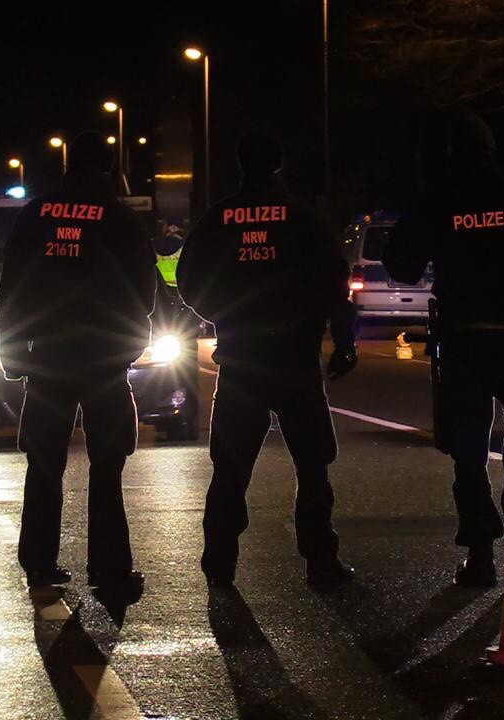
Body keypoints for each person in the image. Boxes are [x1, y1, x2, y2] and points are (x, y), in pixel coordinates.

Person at [383, 110, 504, 587]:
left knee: (468, 449)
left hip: (464, 340)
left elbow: (400, 262)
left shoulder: (439, 199)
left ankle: (481, 554)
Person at [177, 129, 358, 588]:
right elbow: (334, 279)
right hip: (295, 358)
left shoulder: (219, 218)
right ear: (278, 164)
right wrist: (343, 338)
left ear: (241, 164)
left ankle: (219, 561)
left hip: (240, 357)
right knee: (312, 465)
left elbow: (188, 278)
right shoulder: (302, 216)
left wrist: (222, 316)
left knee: (231, 467)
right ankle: (321, 561)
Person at [0, 131, 156, 593]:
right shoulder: (119, 219)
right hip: (104, 361)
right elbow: (143, 293)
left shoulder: (35, 216)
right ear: (107, 168)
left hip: (46, 359)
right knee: (108, 465)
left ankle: (39, 562)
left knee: (44, 463)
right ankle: (109, 569)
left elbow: (14, 288)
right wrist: (127, 344)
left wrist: (12, 353)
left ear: (68, 164)